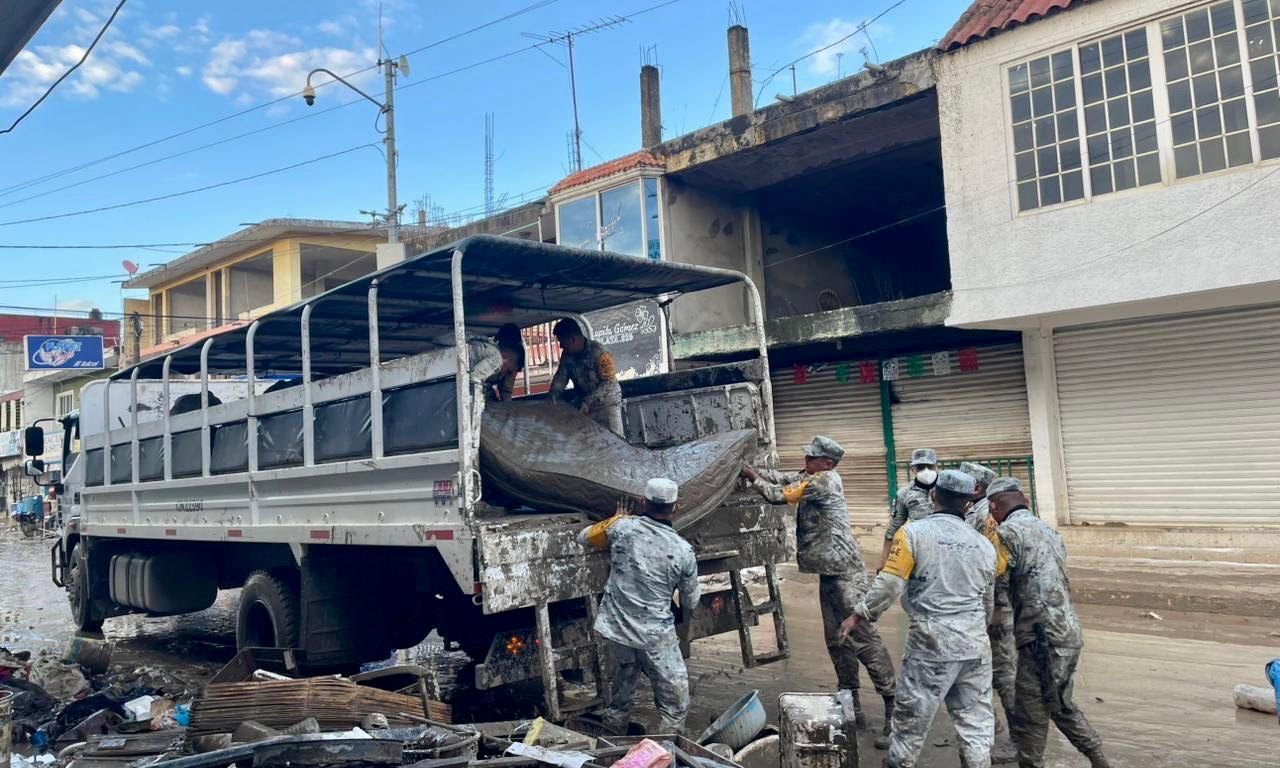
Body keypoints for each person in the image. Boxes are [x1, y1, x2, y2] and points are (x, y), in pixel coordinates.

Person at [741, 436, 897, 749]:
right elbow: (781, 477)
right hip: (829, 574)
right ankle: (851, 707)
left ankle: (895, 711)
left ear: (827, 463)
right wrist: (748, 469)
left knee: (864, 640)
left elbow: (777, 494)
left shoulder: (823, 482)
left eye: (812, 458)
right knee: (837, 641)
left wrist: (753, 479)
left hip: (845, 574)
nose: (806, 462)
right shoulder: (810, 476)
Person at [840, 469, 999, 768]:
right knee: (975, 722)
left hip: (932, 643)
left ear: (933, 495)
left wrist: (860, 614)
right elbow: (986, 600)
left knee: (911, 719)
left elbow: (889, 583)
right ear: (967, 502)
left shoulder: (913, 534)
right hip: (975, 644)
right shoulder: (984, 546)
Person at [985, 478, 1110, 768]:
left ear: (994, 506)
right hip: (1067, 630)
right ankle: (1097, 757)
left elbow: (994, 580)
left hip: (1040, 635)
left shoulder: (1007, 534)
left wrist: (990, 619)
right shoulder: (1049, 531)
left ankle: (1037, 762)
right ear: (1024, 501)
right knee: (1057, 702)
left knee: (1032, 710)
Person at [577, 478, 700, 734]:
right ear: (675, 508)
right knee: (675, 705)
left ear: (643, 502)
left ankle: (611, 742)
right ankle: (663, 752)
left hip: (616, 629)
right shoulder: (683, 550)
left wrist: (615, 519)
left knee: (622, 691)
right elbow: (690, 601)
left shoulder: (622, 528)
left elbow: (584, 537)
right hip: (654, 636)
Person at [961, 462, 1017, 765]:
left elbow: (999, 567)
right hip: (980, 607)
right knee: (982, 674)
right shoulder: (976, 512)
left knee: (1005, 676)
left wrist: (996, 608)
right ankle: (992, 732)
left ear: (979, 488)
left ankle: (1019, 740)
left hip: (995, 609)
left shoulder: (988, 516)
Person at [549, 318, 624, 435]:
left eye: (561, 342)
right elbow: (561, 377)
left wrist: (587, 402)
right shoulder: (567, 356)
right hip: (584, 405)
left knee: (615, 441)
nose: (561, 346)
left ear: (572, 339)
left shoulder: (600, 352)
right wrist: (552, 397)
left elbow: (609, 382)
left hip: (607, 403)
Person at [880, 448, 938, 570]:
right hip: (920, 551)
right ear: (913, 469)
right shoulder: (904, 494)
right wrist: (884, 563)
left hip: (951, 548)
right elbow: (892, 530)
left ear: (936, 466)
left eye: (930, 466)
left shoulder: (949, 487)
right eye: (920, 467)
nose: (926, 471)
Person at [484, 323, 526, 402]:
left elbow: (507, 389)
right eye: (502, 344)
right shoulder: (487, 352)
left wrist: (507, 408)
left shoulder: (516, 358)